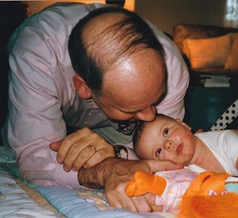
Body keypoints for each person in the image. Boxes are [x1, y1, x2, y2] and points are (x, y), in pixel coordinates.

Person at [1, 2, 189, 212]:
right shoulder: (36, 56)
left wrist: (116, 155)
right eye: (131, 109)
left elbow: (163, 159)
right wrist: (103, 170)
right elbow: (35, 155)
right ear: (83, 88)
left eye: (156, 99)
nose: (150, 116)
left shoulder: (171, 66)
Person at [132, 114, 238, 188]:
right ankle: (198, 135)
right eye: (158, 151)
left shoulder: (226, 140)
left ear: (183, 124)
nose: (168, 144)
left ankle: (201, 134)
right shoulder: (184, 175)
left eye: (166, 132)